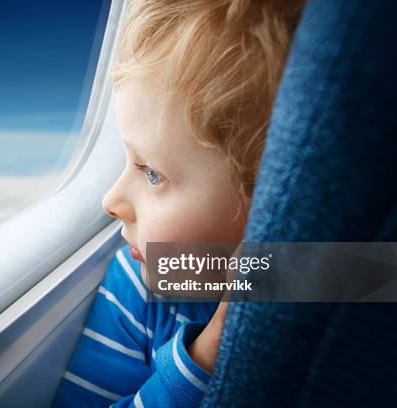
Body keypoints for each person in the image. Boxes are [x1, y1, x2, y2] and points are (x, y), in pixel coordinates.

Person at [53, 0, 303, 406]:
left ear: (266, 204)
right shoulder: (136, 285)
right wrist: (205, 356)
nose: (111, 200)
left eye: (151, 172)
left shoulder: (352, 292)